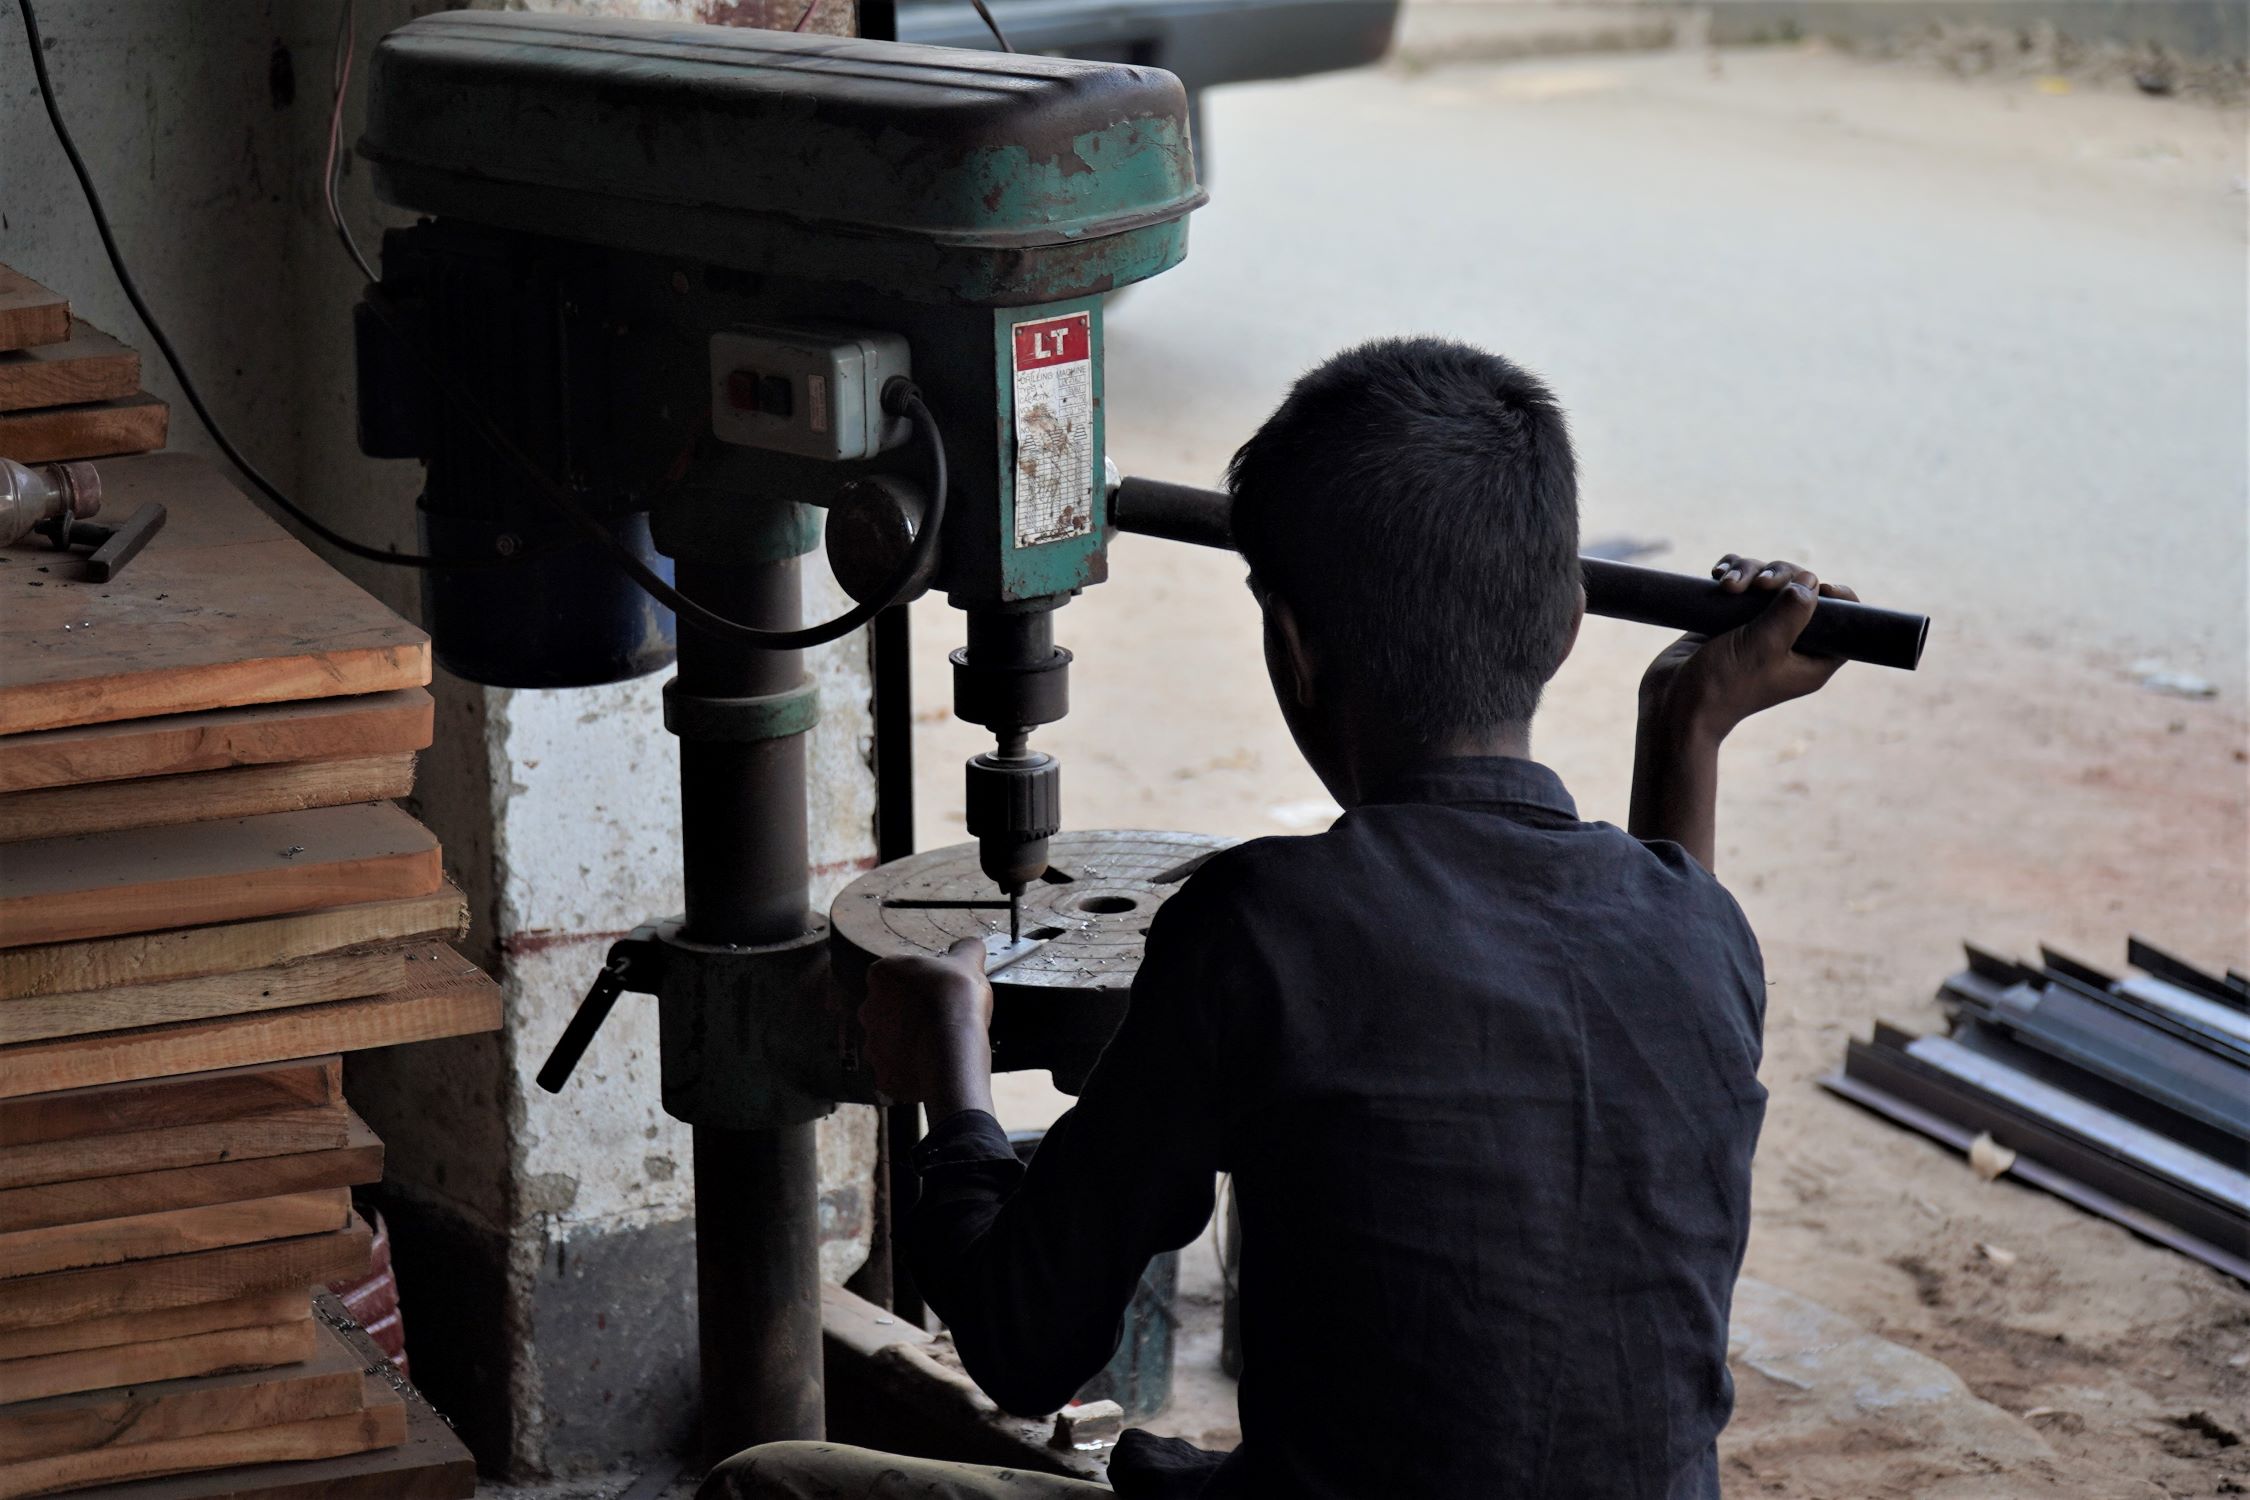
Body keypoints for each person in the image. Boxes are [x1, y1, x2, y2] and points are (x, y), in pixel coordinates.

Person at [704, 337, 1858, 1499]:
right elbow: (1664, 909)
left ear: (1293, 647)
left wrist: (949, 1074)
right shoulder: (1706, 939)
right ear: (1564, 623)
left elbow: (1022, 1345)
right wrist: (1686, 715)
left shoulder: (1269, 923)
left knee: (767, 1484)